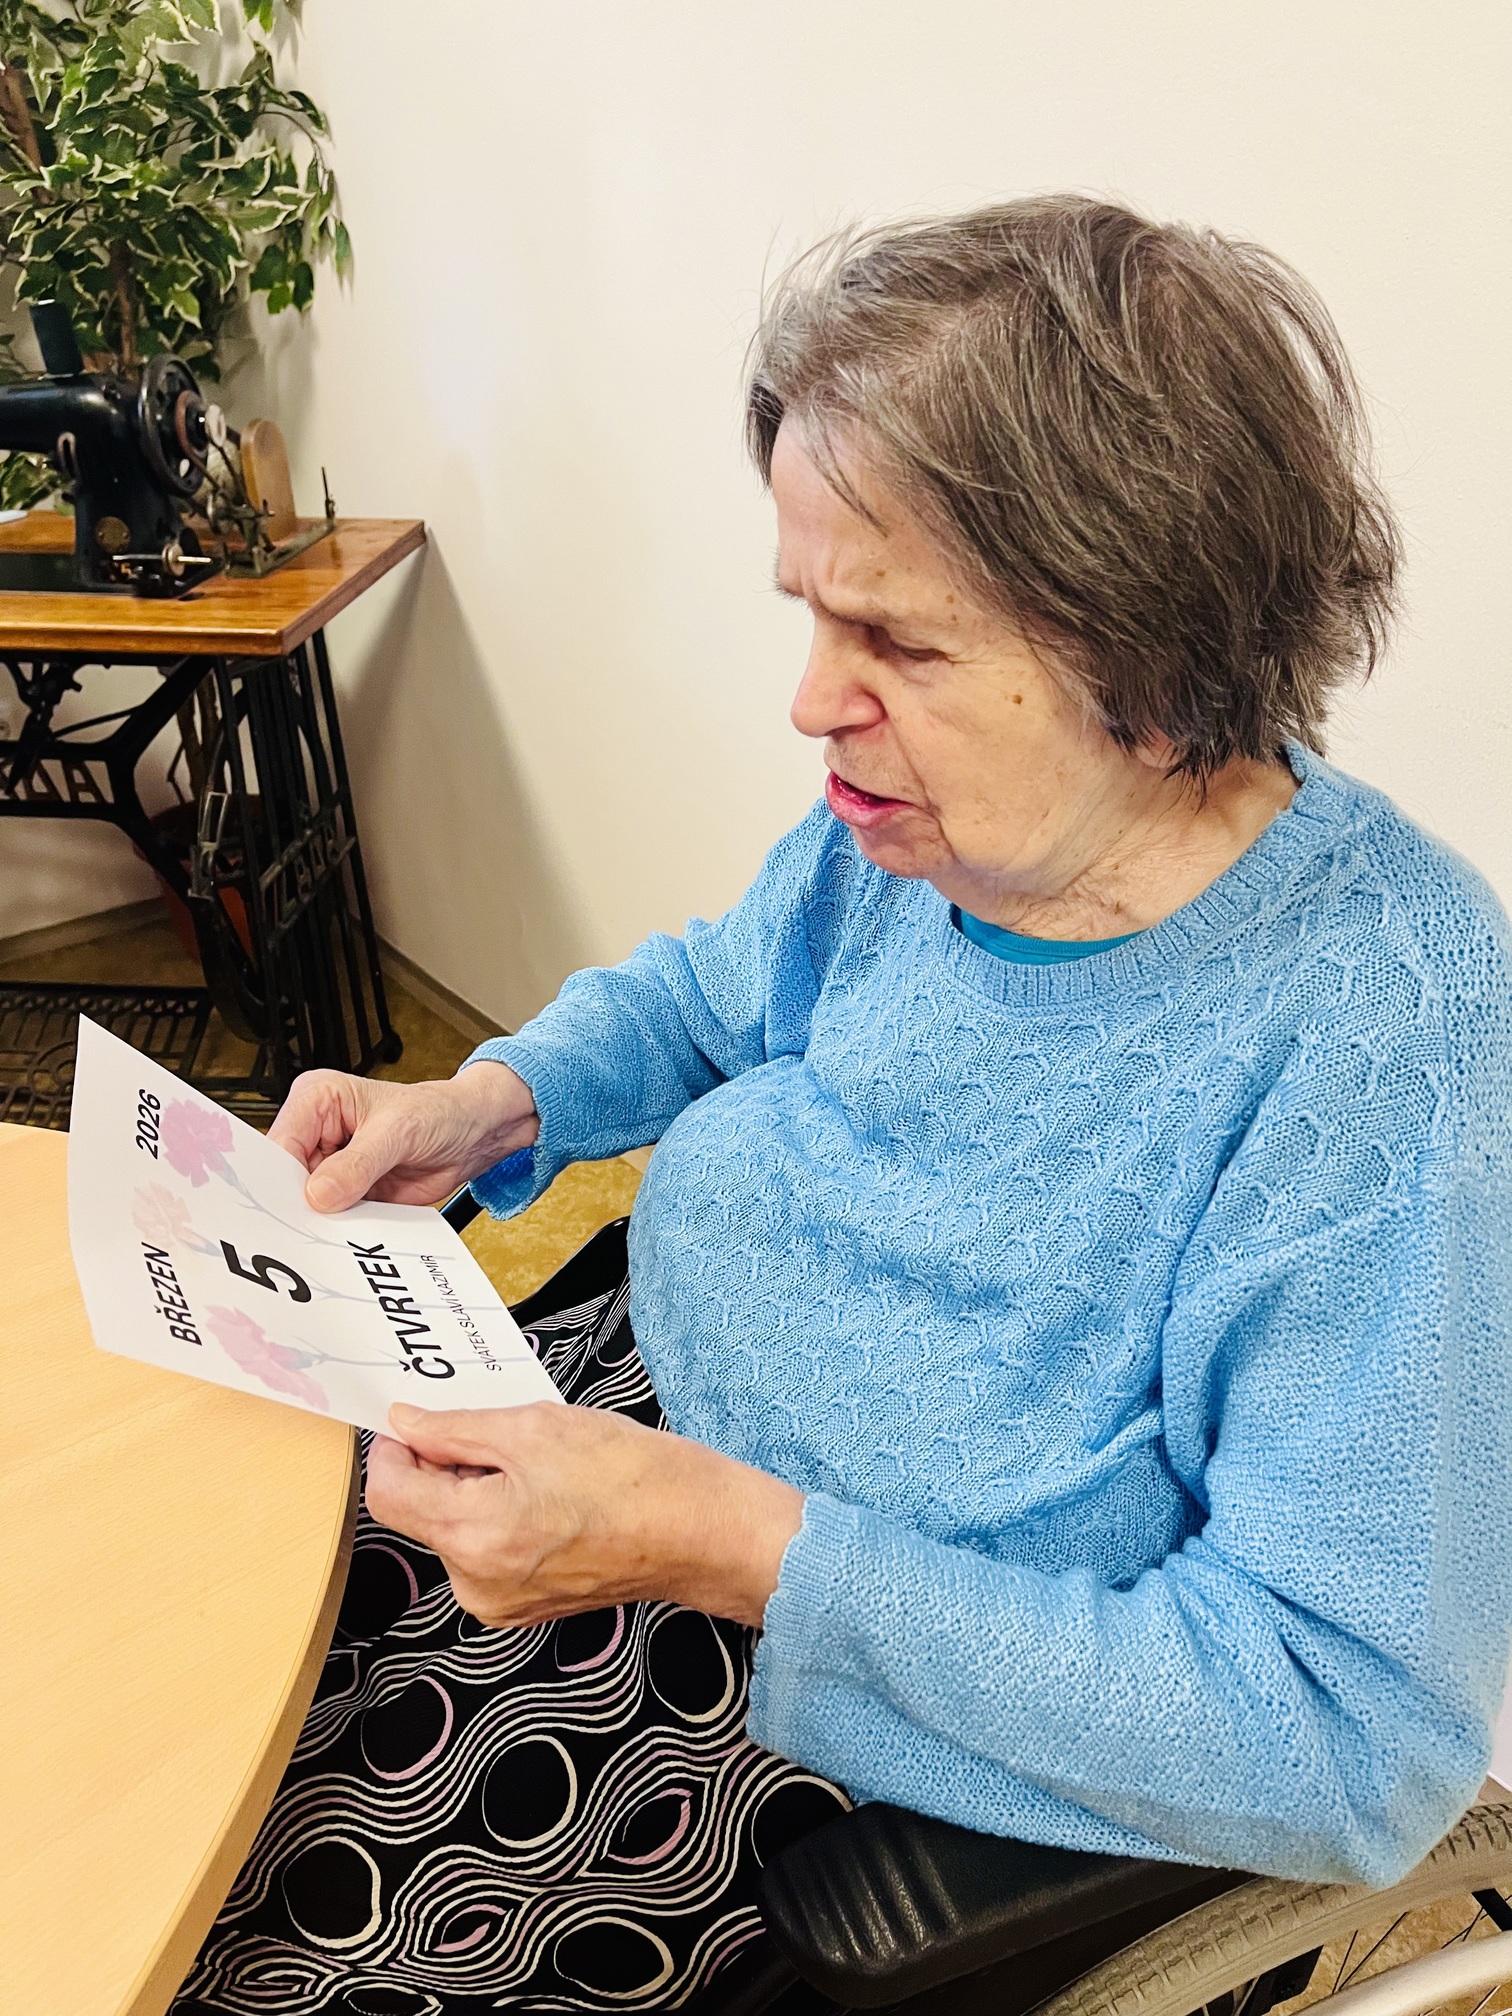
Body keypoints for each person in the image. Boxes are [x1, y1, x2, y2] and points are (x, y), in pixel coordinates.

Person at [176, 196, 1512, 2016]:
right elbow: (709, 995)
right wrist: (488, 1101)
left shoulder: (1384, 1044)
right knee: (168, 1668)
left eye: (901, 643)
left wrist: (725, 1544)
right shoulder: (934, 833)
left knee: (254, 1947)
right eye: (811, 613)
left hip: (831, 1704)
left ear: (1154, 659)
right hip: (623, 1442)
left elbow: (1344, 1739)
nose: (814, 703)